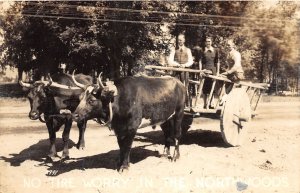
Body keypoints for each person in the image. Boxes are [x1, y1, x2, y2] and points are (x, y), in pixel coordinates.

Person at [199, 36, 220, 109]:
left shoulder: (215, 50)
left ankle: (212, 104)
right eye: (207, 41)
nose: (208, 43)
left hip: (213, 71)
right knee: (205, 88)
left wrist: (217, 72)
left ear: (211, 42)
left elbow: (217, 62)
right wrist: (200, 70)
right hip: (205, 70)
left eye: (209, 41)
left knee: (212, 87)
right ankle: (205, 104)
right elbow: (200, 61)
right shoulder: (203, 50)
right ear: (205, 42)